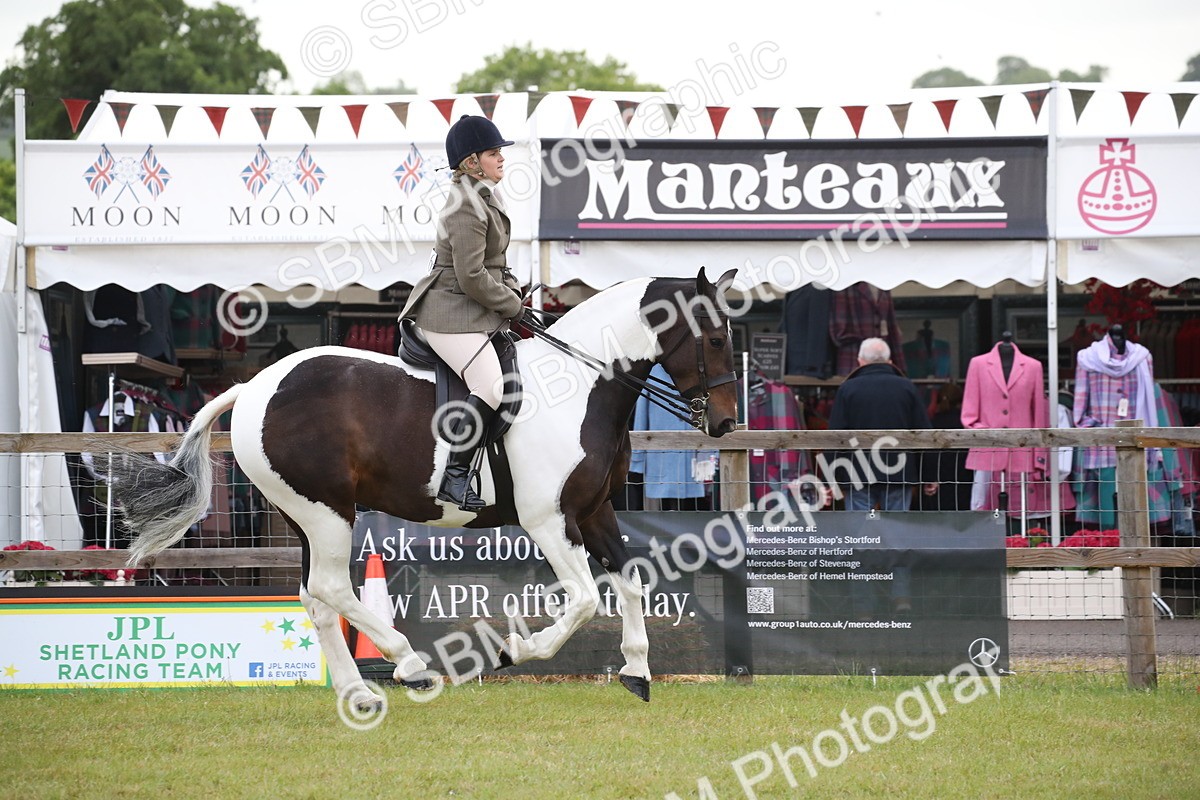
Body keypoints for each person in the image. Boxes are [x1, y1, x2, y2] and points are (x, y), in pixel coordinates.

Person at [400, 115, 525, 510]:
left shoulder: (485, 195)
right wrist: (512, 305)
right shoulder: (465, 207)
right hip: (447, 312)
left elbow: (493, 262)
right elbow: (471, 276)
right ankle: (454, 479)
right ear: (471, 162)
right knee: (490, 386)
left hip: (468, 308)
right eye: (493, 153)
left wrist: (514, 287)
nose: (501, 158)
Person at [828, 337, 936, 511]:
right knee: (896, 531)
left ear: (860, 361)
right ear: (890, 361)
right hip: (899, 473)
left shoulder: (847, 389)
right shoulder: (907, 388)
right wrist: (929, 475)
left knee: (859, 532)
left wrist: (831, 479)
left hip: (858, 473)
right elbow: (924, 434)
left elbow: (835, 437)